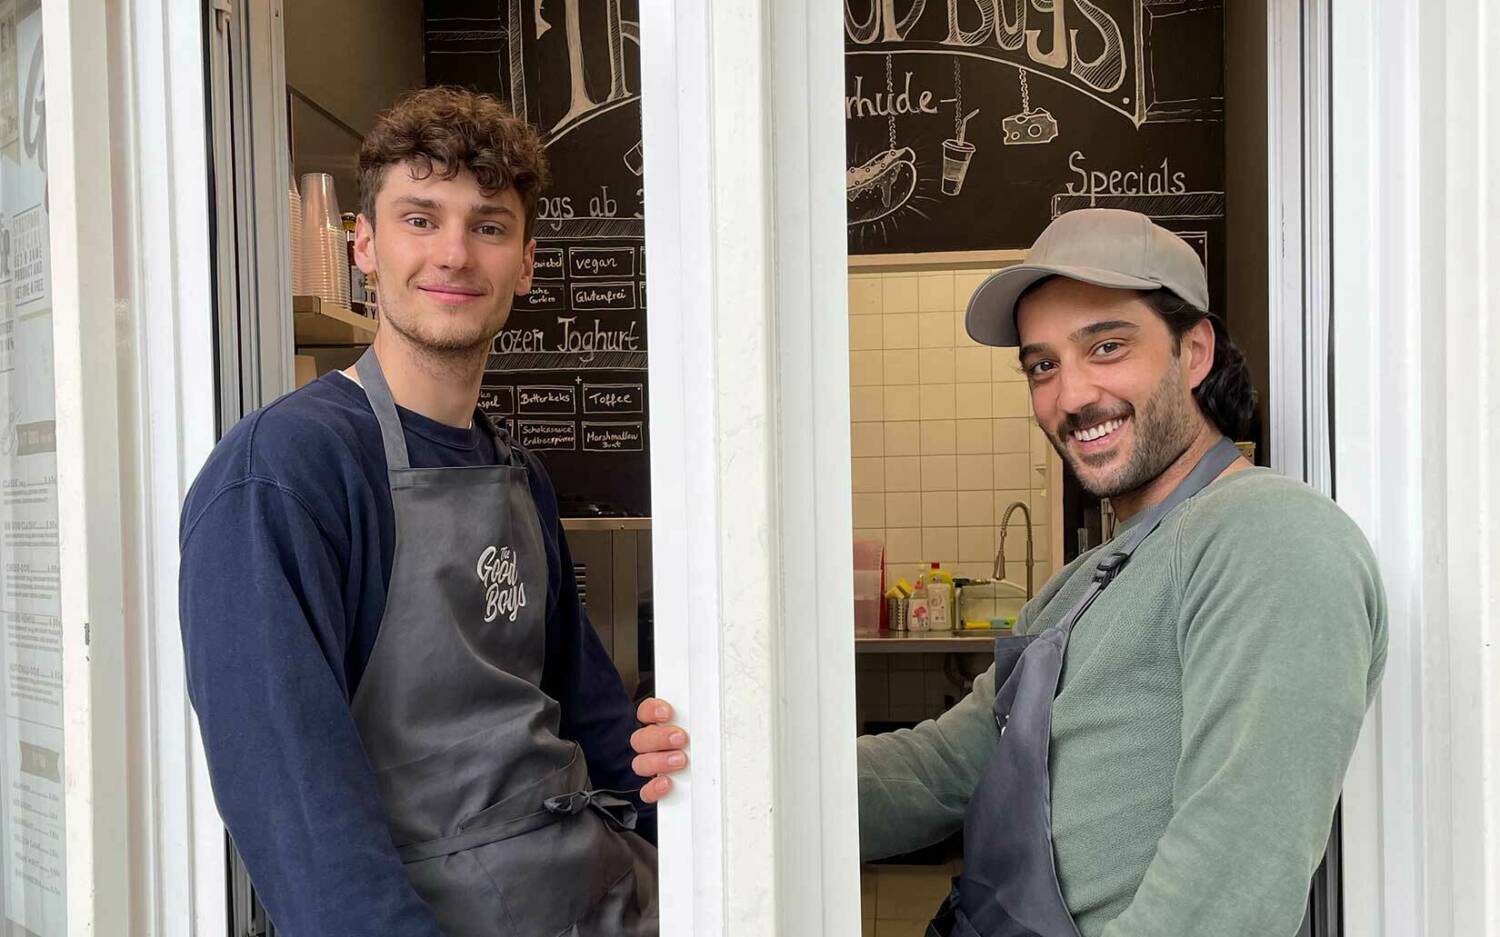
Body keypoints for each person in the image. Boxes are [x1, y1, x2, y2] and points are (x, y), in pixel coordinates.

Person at [631, 209, 1387, 937]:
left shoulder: (1271, 538)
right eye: (1043, 366)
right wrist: (730, 770)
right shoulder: (1086, 579)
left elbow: (1230, 889)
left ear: (1194, 353)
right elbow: (945, 767)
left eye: (1107, 347)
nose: (1072, 395)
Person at [180, 87, 656, 937]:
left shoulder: (519, 472)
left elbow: (593, 720)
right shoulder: (284, 474)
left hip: (602, 900)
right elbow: (297, 811)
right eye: (420, 218)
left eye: (489, 226)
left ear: (527, 260)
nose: (455, 255)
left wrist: (692, 819)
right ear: (365, 244)